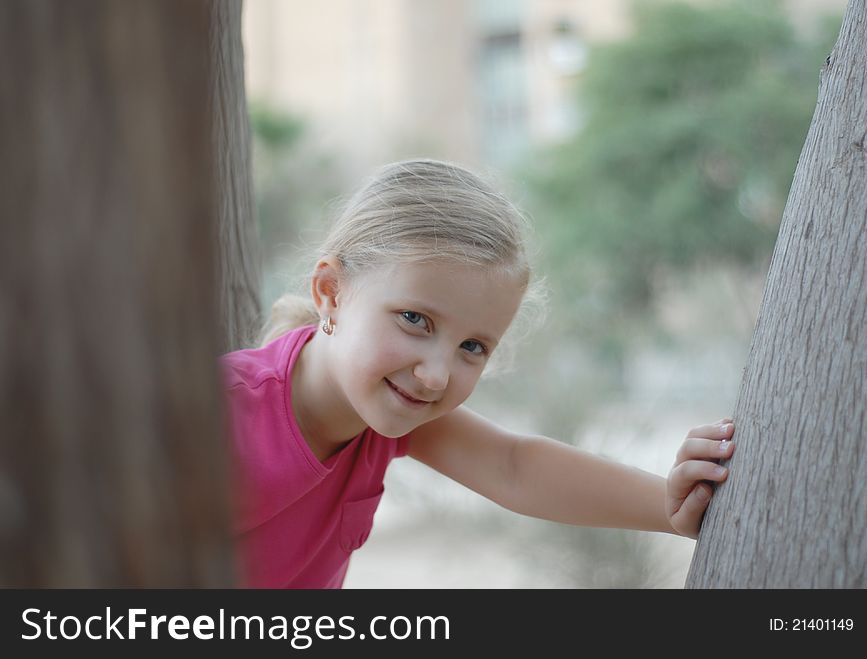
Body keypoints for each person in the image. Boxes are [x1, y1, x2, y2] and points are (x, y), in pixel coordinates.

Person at [220, 158, 736, 588]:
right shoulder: (219, 419)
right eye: (415, 320)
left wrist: (672, 504)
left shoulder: (382, 406)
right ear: (331, 292)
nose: (436, 376)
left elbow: (513, 466)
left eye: (472, 346)